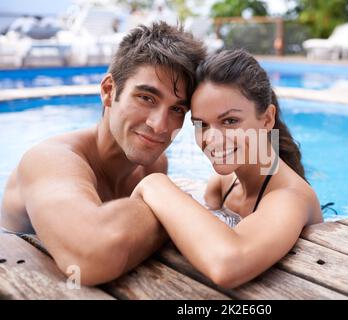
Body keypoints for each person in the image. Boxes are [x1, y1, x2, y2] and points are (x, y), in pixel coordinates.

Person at [0, 22, 206, 285]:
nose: (160, 125)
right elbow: (90, 256)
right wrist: (175, 211)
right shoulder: (49, 159)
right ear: (109, 91)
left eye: (177, 110)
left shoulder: (153, 165)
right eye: (146, 98)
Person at [132, 49, 323, 289]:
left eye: (230, 121)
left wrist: (155, 184)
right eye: (201, 124)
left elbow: (228, 264)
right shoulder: (223, 185)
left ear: (267, 119)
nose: (212, 138)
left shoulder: (290, 197)